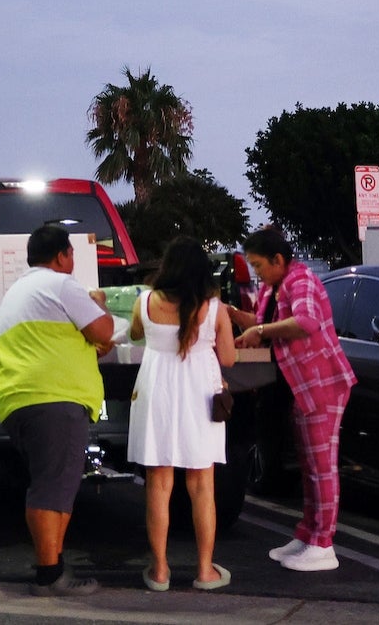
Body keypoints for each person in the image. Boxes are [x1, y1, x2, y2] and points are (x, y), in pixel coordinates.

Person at [0, 223, 116, 598]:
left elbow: (64, 340)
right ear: (63, 255)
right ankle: (50, 576)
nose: (73, 261)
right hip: (54, 400)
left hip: (22, 398)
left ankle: (55, 564)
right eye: (72, 254)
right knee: (51, 487)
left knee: (56, 486)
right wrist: (99, 304)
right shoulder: (62, 285)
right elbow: (105, 330)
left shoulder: (17, 291)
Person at [228, 227, 354, 572]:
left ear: (277, 260)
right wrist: (242, 319)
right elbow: (266, 322)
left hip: (321, 384)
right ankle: (309, 535)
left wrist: (260, 331)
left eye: (258, 265)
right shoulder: (277, 286)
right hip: (302, 386)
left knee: (321, 467)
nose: (256, 273)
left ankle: (323, 543)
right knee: (309, 466)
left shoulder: (302, 281)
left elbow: (306, 322)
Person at [125, 237, 237, 591]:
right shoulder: (215, 309)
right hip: (199, 393)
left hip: (156, 391)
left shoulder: (144, 302)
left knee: (158, 486)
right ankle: (205, 570)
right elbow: (230, 359)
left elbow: (135, 335)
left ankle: (160, 570)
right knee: (202, 486)